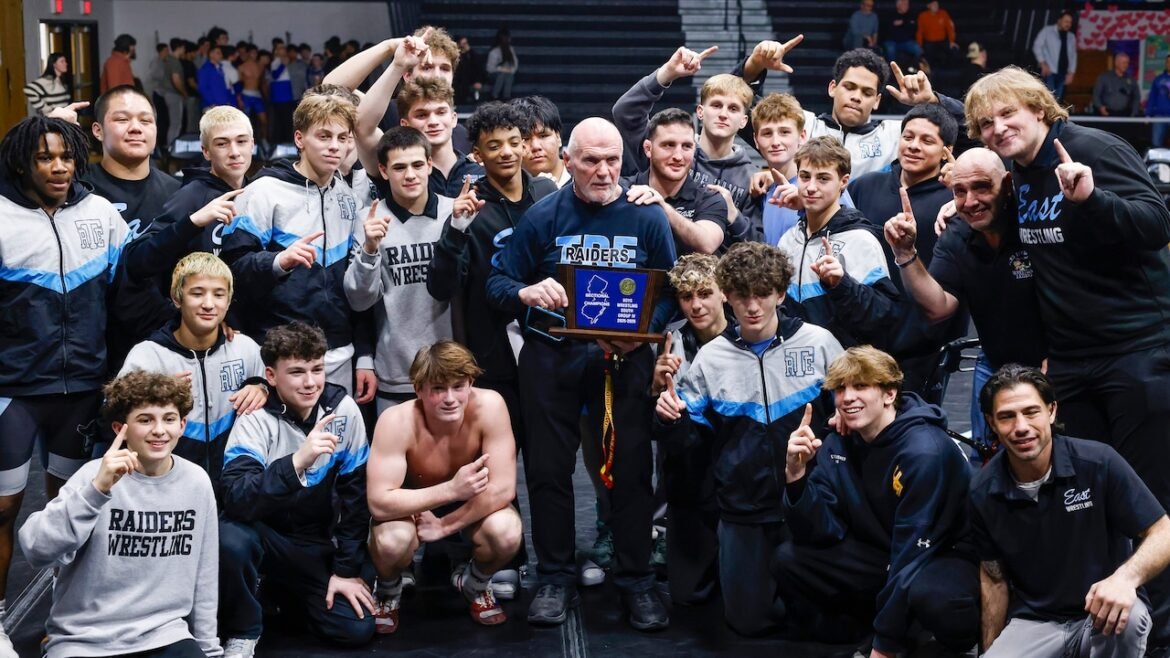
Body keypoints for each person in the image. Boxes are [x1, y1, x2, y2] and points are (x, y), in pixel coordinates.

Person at [965, 65, 1170, 648]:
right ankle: (1100, 629)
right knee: (1093, 502)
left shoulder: (1090, 148)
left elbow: (1156, 224)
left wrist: (1092, 199)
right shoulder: (1018, 175)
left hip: (1137, 352)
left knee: (1153, 503)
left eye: (1009, 115)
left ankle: (1161, 640)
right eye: (985, 123)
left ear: (1040, 109)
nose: (998, 128)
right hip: (1074, 363)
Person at [486, 117, 677, 630]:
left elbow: (671, 289)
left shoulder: (647, 216)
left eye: (612, 159)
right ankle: (553, 577)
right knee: (548, 471)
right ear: (566, 161)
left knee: (633, 471)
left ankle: (636, 580)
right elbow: (498, 283)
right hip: (551, 356)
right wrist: (525, 293)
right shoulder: (542, 216)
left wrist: (640, 334)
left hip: (625, 360)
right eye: (590, 159)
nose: (603, 169)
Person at [655, 243, 842, 635]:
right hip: (743, 506)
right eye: (742, 296)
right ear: (727, 296)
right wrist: (670, 420)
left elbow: (851, 408)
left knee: (824, 624)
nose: (753, 306)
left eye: (762, 294)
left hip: (811, 497)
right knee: (748, 623)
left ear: (781, 293)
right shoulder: (711, 358)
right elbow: (691, 441)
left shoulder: (819, 342)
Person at [0, 115, 127, 653]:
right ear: (23, 162)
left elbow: (132, 288)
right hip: (14, 391)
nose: (58, 167)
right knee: (3, 510)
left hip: (80, 391)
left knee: (71, 506)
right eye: (45, 157)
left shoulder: (99, 212)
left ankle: (67, 613)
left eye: (66, 156)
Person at [426, 101, 554, 597]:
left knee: (547, 462)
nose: (505, 152)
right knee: (496, 462)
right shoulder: (467, 205)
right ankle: (508, 555)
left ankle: (554, 560)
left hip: (547, 346)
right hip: (489, 353)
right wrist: (455, 229)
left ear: (527, 145)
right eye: (492, 145)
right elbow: (440, 287)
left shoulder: (547, 194)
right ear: (476, 154)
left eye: (513, 142)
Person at [778, 346, 980, 656]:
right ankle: (864, 630)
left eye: (860, 386)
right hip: (887, 551)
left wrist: (883, 647)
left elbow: (912, 554)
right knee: (790, 558)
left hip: (940, 557)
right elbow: (820, 530)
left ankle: (927, 640)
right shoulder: (838, 441)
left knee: (934, 597)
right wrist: (795, 475)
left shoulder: (923, 452)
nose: (847, 398)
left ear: (889, 394)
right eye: (840, 389)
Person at [18, 371, 221, 658]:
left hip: (163, 634)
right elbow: (37, 549)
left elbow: (205, 573)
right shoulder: (93, 476)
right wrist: (96, 491)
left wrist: (208, 649)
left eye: (169, 419)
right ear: (119, 429)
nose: (159, 430)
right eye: (145, 420)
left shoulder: (196, 481)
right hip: (85, 639)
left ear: (182, 425)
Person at [971, 365, 1170, 657]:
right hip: (1036, 622)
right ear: (991, 423)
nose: (1021, 426)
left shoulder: (1098, 462)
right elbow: (993, 578)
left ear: (1051, 411)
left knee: (1129, 618)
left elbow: (1163, 531)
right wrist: (990, 649)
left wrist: (1124, 579)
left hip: (1101, 615)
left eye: (1031, 412)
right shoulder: (982, 491)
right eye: (1006, 417)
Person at [218, 321, 374, 655]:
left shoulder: (343, 410)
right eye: (297, 372)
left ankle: (278, 595)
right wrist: (295, 463)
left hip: (311, 545)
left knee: (355, 627)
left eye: (317, 369)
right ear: (271, 377)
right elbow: (236, 499)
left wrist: (345, 572)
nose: (310, 382)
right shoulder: (255, 417)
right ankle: (244, 628)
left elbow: (356, 500)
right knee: (228, 538)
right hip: (262, 536)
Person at [885, 147, 1046, 450]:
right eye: (960, 192)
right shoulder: (956, 233)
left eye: (982, 187)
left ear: (1007, 184)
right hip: (994, 358)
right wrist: (905, 254)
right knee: (985, 455)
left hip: (1053, 357)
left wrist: (1063, 357)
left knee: (1051, 447)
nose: (970, 201)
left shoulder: (1036, 219)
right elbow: (937, 309)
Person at [366, 341, 523, 633]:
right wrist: (450, 490)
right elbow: (378, 502)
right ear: (419, 389)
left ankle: (474, 584)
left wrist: (444, 525)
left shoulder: (490, 406)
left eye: (458, 386)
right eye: (438, 388)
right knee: (391, 541)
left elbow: (503, 489)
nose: (449, 398)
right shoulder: (395, 421)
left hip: (471, 498)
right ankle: (388, 590)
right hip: (414, 501)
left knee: (506, 531)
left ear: (471, 383)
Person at [221, 93, 371, 396]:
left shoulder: (347, 195)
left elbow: (357, 288)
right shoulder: (263, 192)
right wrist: (278, 262)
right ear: (300, 139)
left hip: (339, 350)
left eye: (342, 137)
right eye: (324, 136)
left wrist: (365, 353)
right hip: (280, 351)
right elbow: (231, 269)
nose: (334, 146)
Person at [118, 252, 267, 487]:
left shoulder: (245, 349)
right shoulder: (148, 355)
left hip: (232, 490)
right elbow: (114, 418)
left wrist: (262, 388)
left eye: (219, 295)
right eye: (197, 293)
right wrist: (152, 396)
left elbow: (278, 393)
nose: (208, 304)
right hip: (164, 489)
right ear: (177, 298)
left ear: (228, 302)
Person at [343, 126, 456, 410]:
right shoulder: (367, 221)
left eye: (418, 165)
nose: (410, 175)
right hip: (394, 372)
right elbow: (358, 301)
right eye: (399, 167)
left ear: (430, 165)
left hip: (454, 368)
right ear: (383, 171)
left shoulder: (455, 214)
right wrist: (369, 248)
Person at [742, 45, 962, 179]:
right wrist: (754, 65)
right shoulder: (800, 124)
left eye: (867, 92)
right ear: (833, 88)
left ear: (876, 101)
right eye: (849, 87)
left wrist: (933, 100)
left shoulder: (897, 137)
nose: (856, 96)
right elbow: (734, 104)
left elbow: (973, 132)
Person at [613, 47, 761, 243]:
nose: (723, 114)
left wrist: (733, 215)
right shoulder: (666, 149)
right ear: (700, 112)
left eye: (733, 108)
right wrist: (667, 73)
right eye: (716, 105)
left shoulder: (753, 180)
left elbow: (758, 247)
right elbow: (625, 112)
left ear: (744, 121)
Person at [80, 85, 181, 367]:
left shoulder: (179, 194)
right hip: (92, 344)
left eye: (145, 120)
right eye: (122, 120)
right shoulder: (77, 190)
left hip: (162, 339)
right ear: (98, 131)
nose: (136, 128)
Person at [776, 136, 899, 348]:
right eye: (805, 177)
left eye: (823, 178)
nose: (811, 187)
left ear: (843, 181)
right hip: (798, 369)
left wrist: (842, 284)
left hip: (846, 370)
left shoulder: (860, 239)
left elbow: (884, 316)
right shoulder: (788, 240)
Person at [123, 105, 253, 290]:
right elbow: (138, 261)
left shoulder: (258, 192)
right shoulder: (190, 196)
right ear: (206, 151)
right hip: (199, 312)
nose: (234, 152)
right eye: (222, 143)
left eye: (241, 141)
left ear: (252, 144)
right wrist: (192, 223)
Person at [849, 102, 957, 270]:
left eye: (927, 141)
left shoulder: (953, 200)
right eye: (907, 137)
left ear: (946, 151)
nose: (913, 146)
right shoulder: (864, 186)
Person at [624, 107, 728, 256]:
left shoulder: (710, 199)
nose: (678, 156)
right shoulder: (624, 190)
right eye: (669, 145)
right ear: (648, 148)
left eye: (686, 146)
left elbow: (707, 245)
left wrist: (661, 207)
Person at [751, 93, 807, 245]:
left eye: (784, 132)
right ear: (756, 141)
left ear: (802, 136)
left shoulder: (824, 185)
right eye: (767, 133)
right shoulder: (761, 191)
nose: (776, 142)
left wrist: (808, 203)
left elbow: (851, 230)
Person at [513, 95, 569, 188]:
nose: (535, 146)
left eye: (543, 136)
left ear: (558, 137)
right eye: (525, 138)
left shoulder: (581, 177)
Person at [1032, 11, 1077, 101]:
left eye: (1070, 22)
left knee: (1058, 101)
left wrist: (1071, 72)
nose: (1068, 24)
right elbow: (1037, 46)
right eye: (1066, 21)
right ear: (1059, 21)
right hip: (1050, 71)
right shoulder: (1047, 31)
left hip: (1063, 73)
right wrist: (1042, 62)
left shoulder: (1071, 36)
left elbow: (1073, 55)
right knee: (1048, 99)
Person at [1092, 51, 1141, 118]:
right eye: (1123, 63)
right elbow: (1096, 95)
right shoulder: (1104, 77)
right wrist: (1100, 107)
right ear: (1116, 63)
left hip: (1125, 115)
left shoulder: (1131, 80)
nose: (1126, 65)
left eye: (1127, 63)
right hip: (1107, 114)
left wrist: (1134, 113)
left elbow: (1136, 97)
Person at [916, 1, 958, 70]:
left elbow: (950, 28)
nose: (935, 6)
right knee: (927, 53)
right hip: (929, 42)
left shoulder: (943, 13)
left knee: (954, 50)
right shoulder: (923, 16)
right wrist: (919, 44)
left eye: (936, 4)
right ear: (928, 6)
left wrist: (951, 41)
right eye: (933, 4)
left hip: (942, 41)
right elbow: (919, 31)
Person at [880, 0, 923, 67]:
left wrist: (903, 23)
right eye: (904, 4)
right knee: (890, 50)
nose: (906, 6)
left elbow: (912, 26)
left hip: (906, 42)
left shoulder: (911, 15)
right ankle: (892, 70)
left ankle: (914, 67)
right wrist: (895, 24)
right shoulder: (890, 14)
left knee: (918, 50)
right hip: (892, 41)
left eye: (907, 4)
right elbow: (886, 28)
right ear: (898, 5)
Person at [198, 45, 236, 110]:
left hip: (223, 103)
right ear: (211, 54)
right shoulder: (205, 69)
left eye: (221, 53)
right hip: (212, 105)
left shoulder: (220, 68)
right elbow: (203, 87)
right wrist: (212, 102)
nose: (221, 55)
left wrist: (227, 100)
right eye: (218, 53)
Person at [486, 28, 518, 101]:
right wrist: (501, 69)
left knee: (508, 76)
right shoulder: (494, 51)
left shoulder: (511, 50)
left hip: (508, 73)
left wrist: (510, 70)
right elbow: (489, 68)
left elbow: (515, 64)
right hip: (494, 74)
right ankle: (494, 96)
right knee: (501, 75)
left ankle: (506, 97)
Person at [452, 35, 486, 104]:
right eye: (464, 44)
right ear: (458, 44)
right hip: (457, 79)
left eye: (466, 43)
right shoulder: (454, 55)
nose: (466, 45)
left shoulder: (471, 54)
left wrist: (478, 81)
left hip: (469, 78)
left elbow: (478, 68)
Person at [1149, 54, 1170, 149]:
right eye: (1168, 62)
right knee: (1156, 144)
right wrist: (1148, 114)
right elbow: (1152, 97)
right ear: (1165, 63)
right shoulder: (1158, 79)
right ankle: (1158, 164)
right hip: (1159, 117)